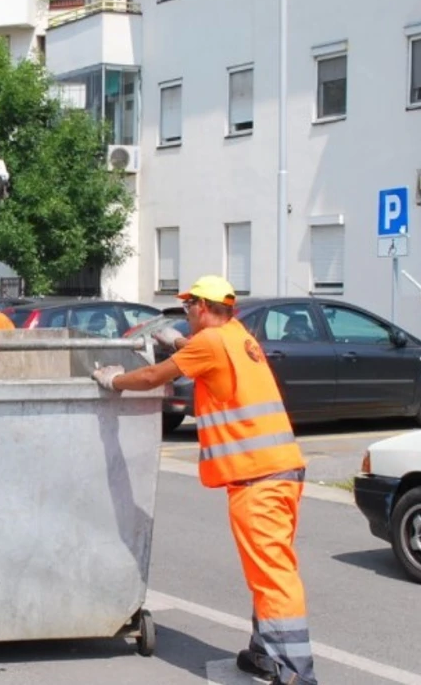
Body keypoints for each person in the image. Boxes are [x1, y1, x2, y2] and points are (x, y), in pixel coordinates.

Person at [92, 275, 317, 685]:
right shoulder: (238, 336)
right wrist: (177, 341)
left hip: (257, 477)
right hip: (280, 470)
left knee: (272, 575)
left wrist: (113, 380)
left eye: (189, 306)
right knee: (267, 568)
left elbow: (151, 378)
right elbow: (205, 358)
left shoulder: (211, 343)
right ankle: (265, 655)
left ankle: (298, 674)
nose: (186, 313)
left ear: (201, 306)